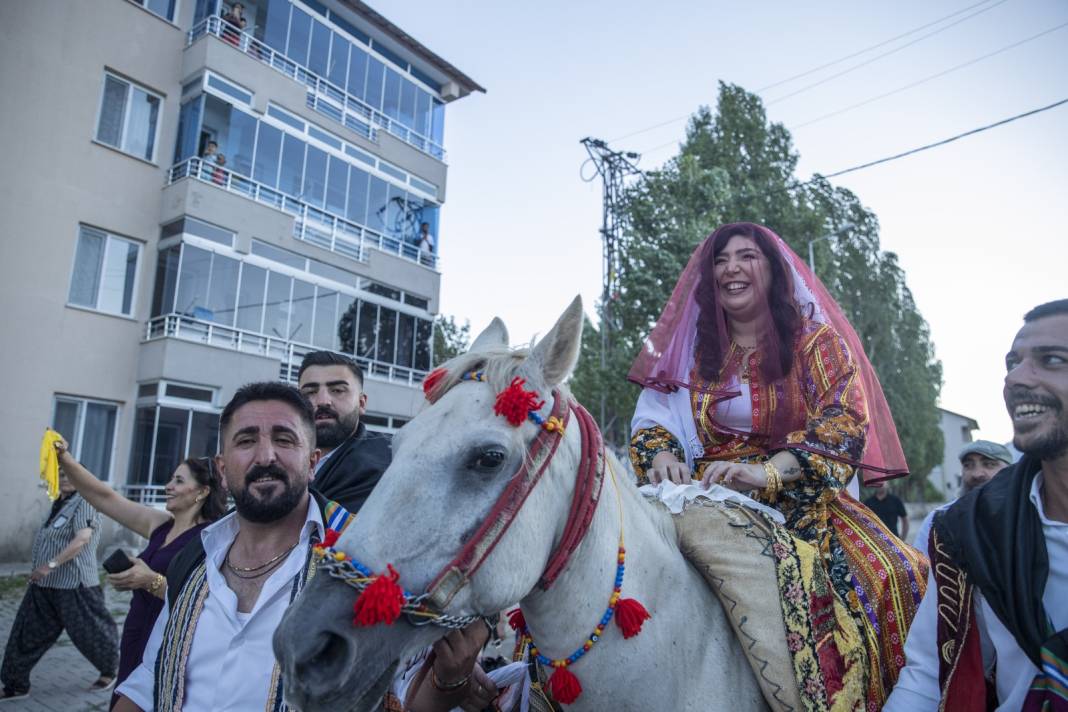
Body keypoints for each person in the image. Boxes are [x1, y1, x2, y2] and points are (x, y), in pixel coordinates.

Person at [628, 222, 927, 709]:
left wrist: (768, 472)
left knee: (897, 576)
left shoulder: (817, 343)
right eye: (720, 261)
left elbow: (845, 422)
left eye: (746, 256)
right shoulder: (693, 351)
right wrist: (661, 454)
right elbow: (655, 412)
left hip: (798, 499)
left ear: (773, 270)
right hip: (701, 494)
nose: (731, 269)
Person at [886, 299, 1068, 711]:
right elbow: (929, 676)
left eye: (1052, 359)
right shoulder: (968, 532)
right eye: (1012, 362)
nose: (1017, 378)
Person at [113, 382, 337, 711]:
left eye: (284, 439)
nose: (265, 456)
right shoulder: (193, 558)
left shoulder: (350, 567)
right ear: (221, 468)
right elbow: (150, 676)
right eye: (246, 441)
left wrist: (443, 678)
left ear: (313, 461)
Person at [50, 436, 226, 702]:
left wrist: (152, 581)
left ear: (202, 491)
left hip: (169, 641)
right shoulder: (161, 523)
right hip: (135, 630)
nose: (168, 486)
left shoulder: (212, 539)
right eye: (170, 479)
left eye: (179, 481)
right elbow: (103, 497)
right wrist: (65, 459)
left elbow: (206, 600)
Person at [0, 470, 118, 702]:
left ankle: (110, 670)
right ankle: (16, 684)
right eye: (60, 474)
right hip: (45, 585)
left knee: (91, 634)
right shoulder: (59, 502)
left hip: (75, 584)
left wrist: (49, 565)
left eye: (69, 475)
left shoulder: (85, 501)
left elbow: (82, 539)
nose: (64, 478)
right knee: (26, 632)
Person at [298, 351, 391, 513]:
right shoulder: (276, 455)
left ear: (361, 403)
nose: (322, 401)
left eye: (337, 390)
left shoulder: (387, 460)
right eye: (310, 392)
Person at [911, 439, 1013, 550]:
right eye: (968, 465)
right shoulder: (939, 520)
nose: (977, 474)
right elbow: (921, 565)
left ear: (1010, 470)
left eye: (989, 464)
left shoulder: (1025, 513)